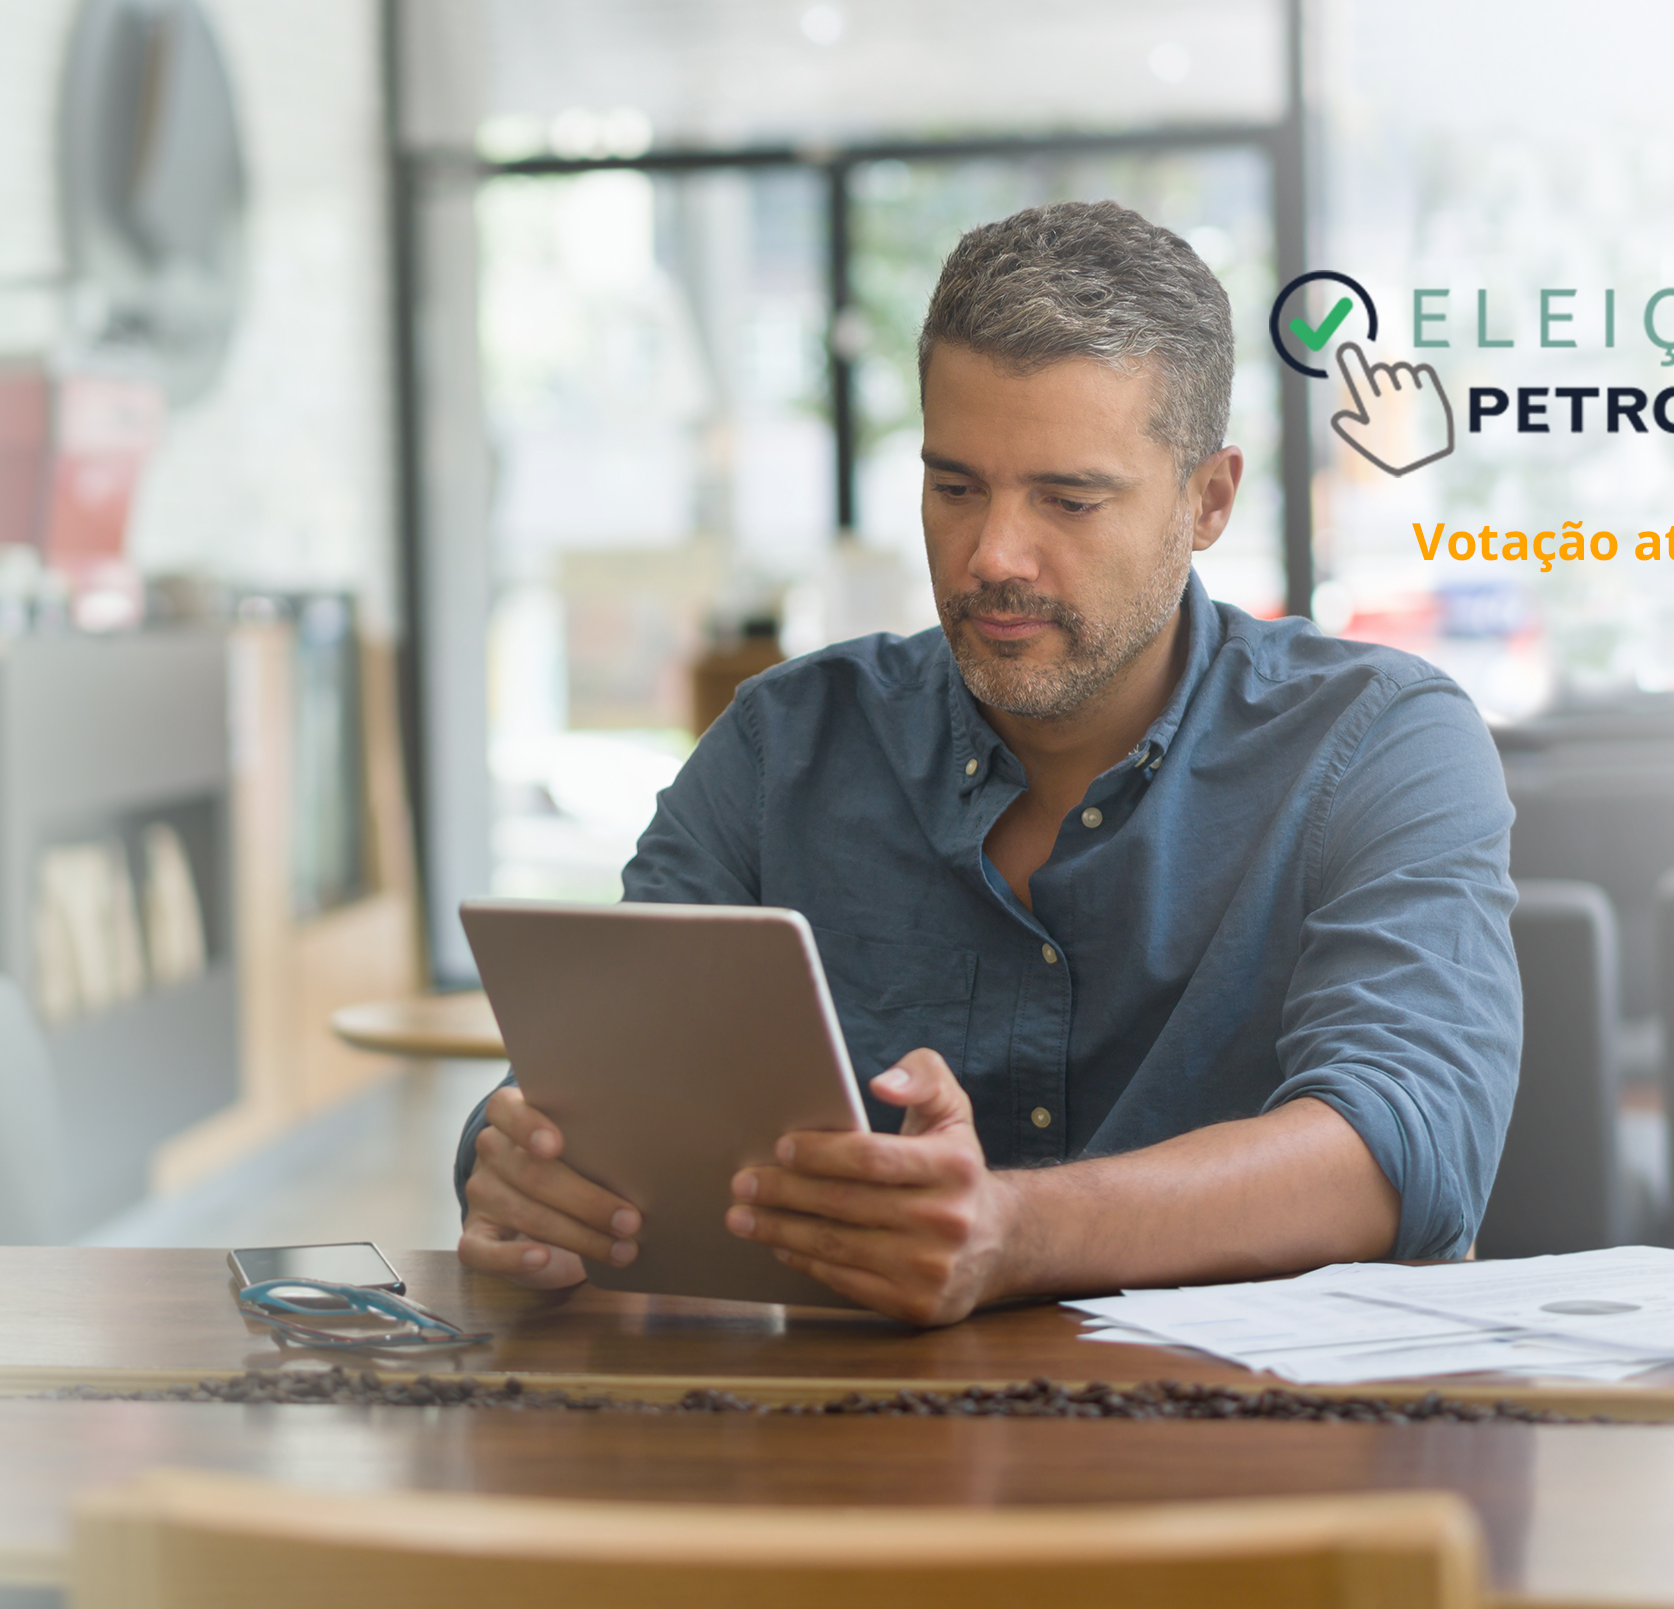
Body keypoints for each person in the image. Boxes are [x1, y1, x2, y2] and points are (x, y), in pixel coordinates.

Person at [454, 200, 1519, 1326]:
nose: (993, 555)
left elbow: (1409, 1140)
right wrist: (523, 1160)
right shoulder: (784, 747)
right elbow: (600, 1078)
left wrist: (1015, 1232)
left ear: (1207, 500)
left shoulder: (1381, 742)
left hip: (1243, 1464)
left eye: (1068, 499)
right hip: (838, 1464)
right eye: (955, 487)